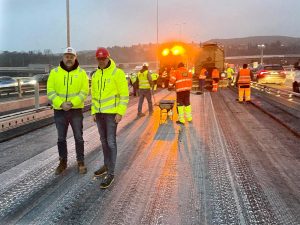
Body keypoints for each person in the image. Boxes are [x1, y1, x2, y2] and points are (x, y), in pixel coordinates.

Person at [47, 47, 89, 175]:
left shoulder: (81, 73)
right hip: (60, 111)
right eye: (67, 56)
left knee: (78, 137)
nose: (69, 58)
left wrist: (72, 103)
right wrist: (61, 103)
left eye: (71, 56)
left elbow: (84, 91)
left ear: (75, 58)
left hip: (75, 110)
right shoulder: (54, 72)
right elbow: (50, 91)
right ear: (63, 57)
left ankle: (80, 162)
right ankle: (63, 162)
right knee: (61, 138)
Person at [91, 47, 129, 189]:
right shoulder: (95, 75)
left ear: (108, 58)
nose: (101, 61)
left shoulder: (117, 73)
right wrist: (94, 112)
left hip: (112, 114)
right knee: (103, 141)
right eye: (99, 58)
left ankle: (111, 173)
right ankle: (106, 166)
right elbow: (94, 95)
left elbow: (124, 95)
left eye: (103, 58)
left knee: (111, 142)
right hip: (99, 114)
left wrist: (120, 113)